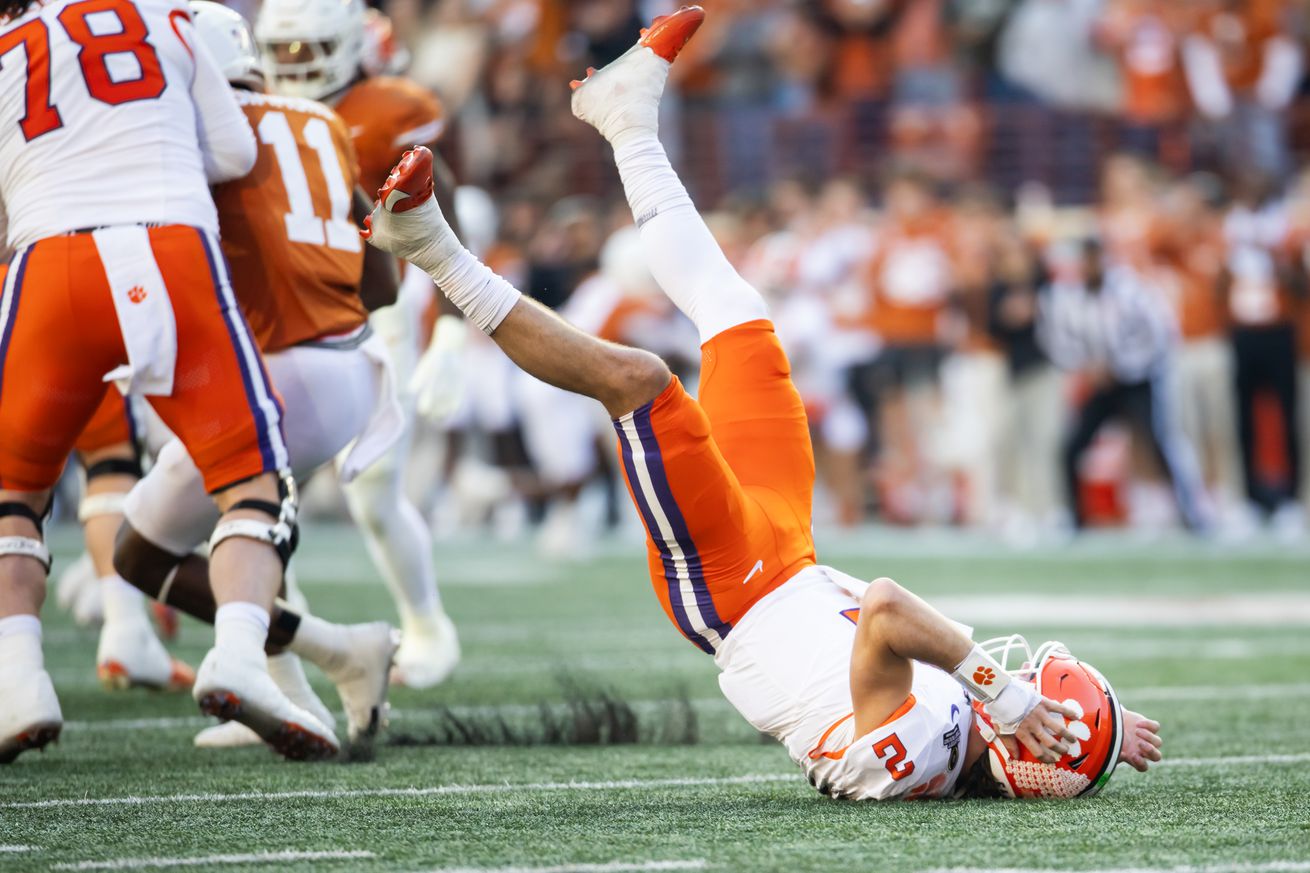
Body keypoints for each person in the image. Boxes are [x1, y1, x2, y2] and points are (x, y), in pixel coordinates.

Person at [362, 6, 1164, 799]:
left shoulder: (921, 753)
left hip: (736, 587)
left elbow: (886, 610)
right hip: (789, 555)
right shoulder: (962, 745)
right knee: (738, 316)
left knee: (640, 384)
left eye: (1035, 691)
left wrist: (1015, 698)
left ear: (1025, 752)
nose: (1020, 674)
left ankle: (431, 247)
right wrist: (1101, 730)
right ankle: (627, 121)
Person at [0, 0, 329, 762]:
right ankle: (241, 654)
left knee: (14, 493)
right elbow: (235, 152)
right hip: (168, 247)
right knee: (252, 479)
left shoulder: (10, 44)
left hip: (49, 264)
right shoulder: (166, 16)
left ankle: (19, 679)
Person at [112, 0, 402, 753]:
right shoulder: (322, 122)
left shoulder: (192, 133)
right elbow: (385, 279)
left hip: (277, 371)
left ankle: (292, 658)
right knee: (246, 522)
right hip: (351, 363)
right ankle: (326, 660)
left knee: (143, 550)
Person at [255, 0, 460, 688]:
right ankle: (279, 672)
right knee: (257, 493)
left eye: (306, 49)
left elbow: (443, 201)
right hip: (287, 314)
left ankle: (428, 624)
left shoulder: (385, 110)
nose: (292, 66)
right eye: (281, 52)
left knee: (373, 493)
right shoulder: (247, 105)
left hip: (376, 309)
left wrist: (455, 328)